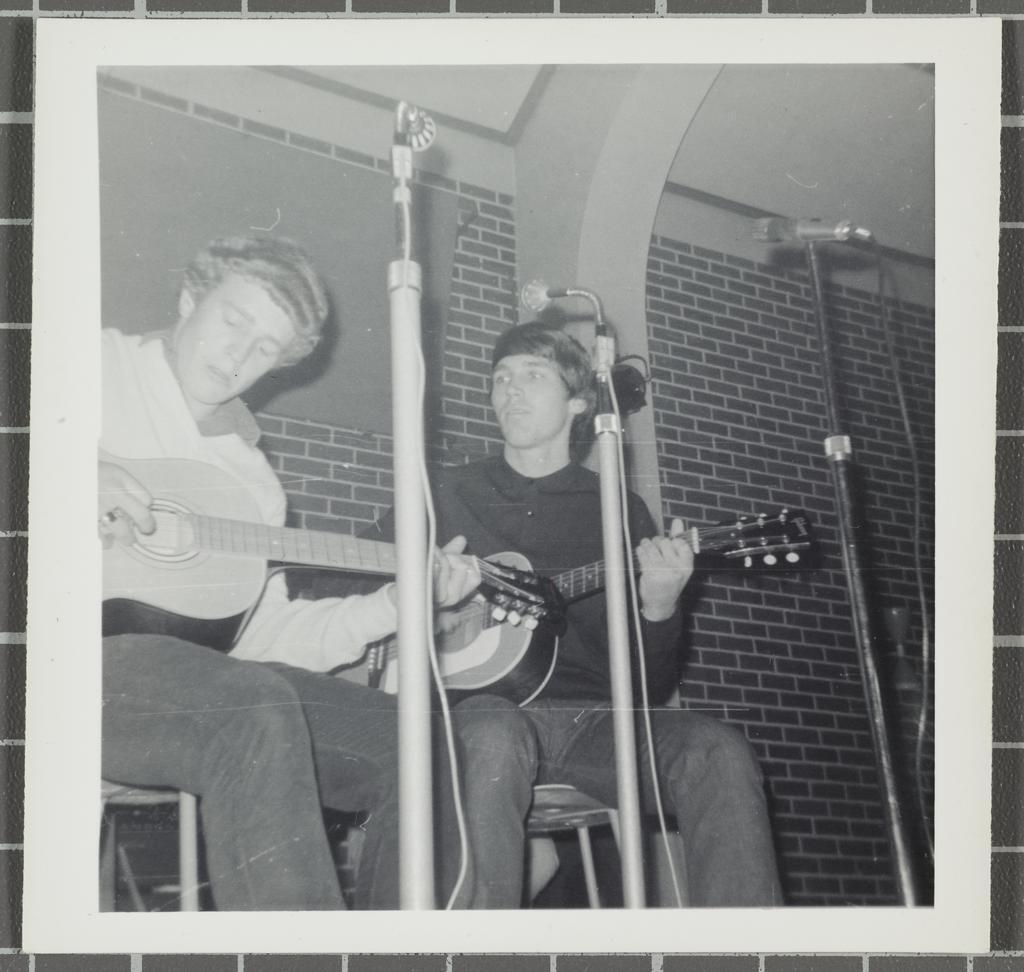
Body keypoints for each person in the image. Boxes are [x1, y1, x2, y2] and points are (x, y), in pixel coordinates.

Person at [99, 235, 480, 910]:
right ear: (190, 299)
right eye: (234, 321)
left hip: (178, 688)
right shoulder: (89, 364)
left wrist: (395, 604)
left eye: (266, 347)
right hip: (57, 661)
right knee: (255, 704)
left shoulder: (254, 486)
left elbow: (257, 637)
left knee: (425, 744)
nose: (240, 355)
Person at [366, 321, 782, 908]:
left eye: (533, 376)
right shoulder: (443, 494)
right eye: (501, 378)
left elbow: (649, 685)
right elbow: (338, 579)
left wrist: (659, 605)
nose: (511, 390)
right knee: (492, 729)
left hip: (595, 724)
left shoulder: (616, 509)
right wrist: (421, 608)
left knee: (717, 750)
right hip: (479, 713)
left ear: (580, 402)